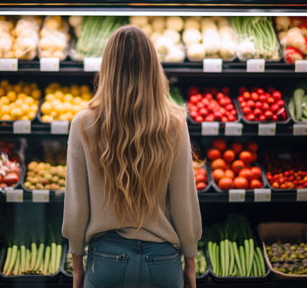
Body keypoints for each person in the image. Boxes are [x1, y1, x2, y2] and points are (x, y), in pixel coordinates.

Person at [62, 25, 202, 288]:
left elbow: (76, 206)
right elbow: (185, 202)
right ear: (153, 68)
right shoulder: (174, 122)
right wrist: (191, 263)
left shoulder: (83, 123)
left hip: (105, 262)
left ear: (107, 68)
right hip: (163, 263)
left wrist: (78, 266)